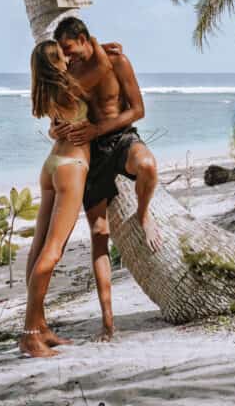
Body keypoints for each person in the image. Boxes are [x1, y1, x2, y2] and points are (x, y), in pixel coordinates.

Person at [52, 17, 162, 341]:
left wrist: (100, 127)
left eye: (71, 50)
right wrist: (56, 130)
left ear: (85, 39)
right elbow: (55, 121)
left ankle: (143, 213)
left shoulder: (116, 61)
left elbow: (138, 109)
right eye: (63, 53)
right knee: (99, 234)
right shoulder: (68, 76)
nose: (68, 58)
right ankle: (108, 322)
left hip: (122, 137)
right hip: (91, 153)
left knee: (149, 167)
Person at [19, 36, 112, 358]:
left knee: (39, 247)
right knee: (53, 251)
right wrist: (96, 42)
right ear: (55, 63)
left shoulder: (47, 91)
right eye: (62, 55)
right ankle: (31, 333)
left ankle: (40, 325)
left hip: (51, 166)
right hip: (71, 168)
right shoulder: (71, 87)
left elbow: (55, 126)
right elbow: (102, 65)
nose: (68, 58)